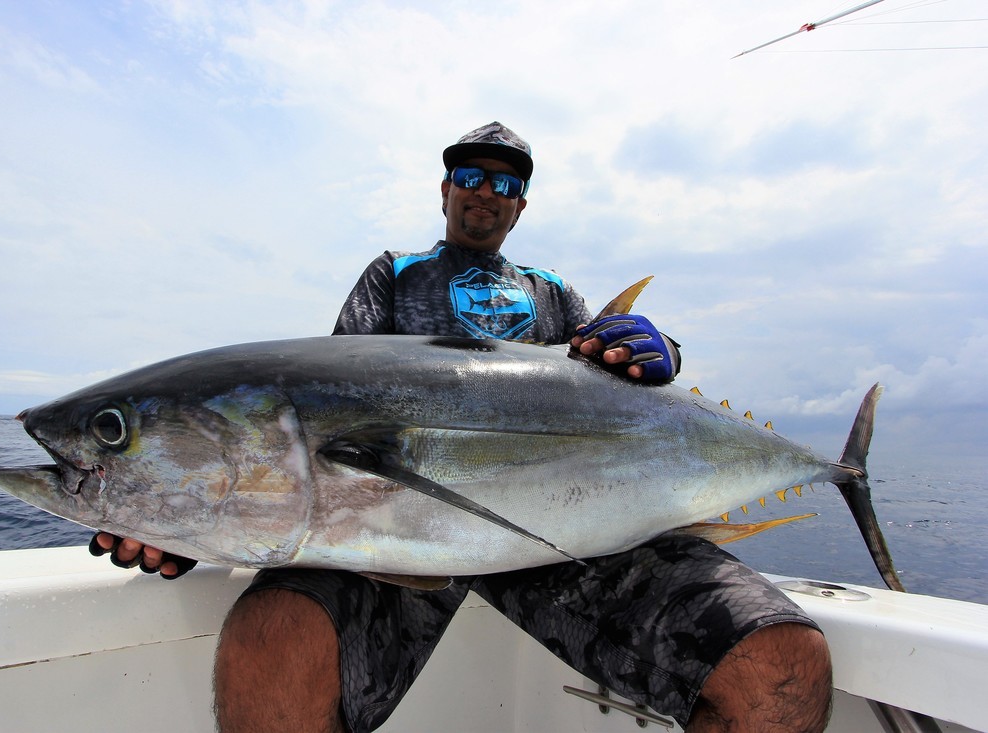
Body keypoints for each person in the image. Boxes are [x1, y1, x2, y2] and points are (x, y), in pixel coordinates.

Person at [92, 122, 833, 732]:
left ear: (521, 206)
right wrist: (190, 512)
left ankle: (839, 472)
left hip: (565, 541)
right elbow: (315, 430)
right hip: (390, 548)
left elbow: (618, 397)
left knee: (784, 665)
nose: (486, 192)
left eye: (506, 184)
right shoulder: (394, 275)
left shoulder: (555, 295)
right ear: (444, 190)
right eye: (471, 177)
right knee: (269, 642)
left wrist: (658, 354)